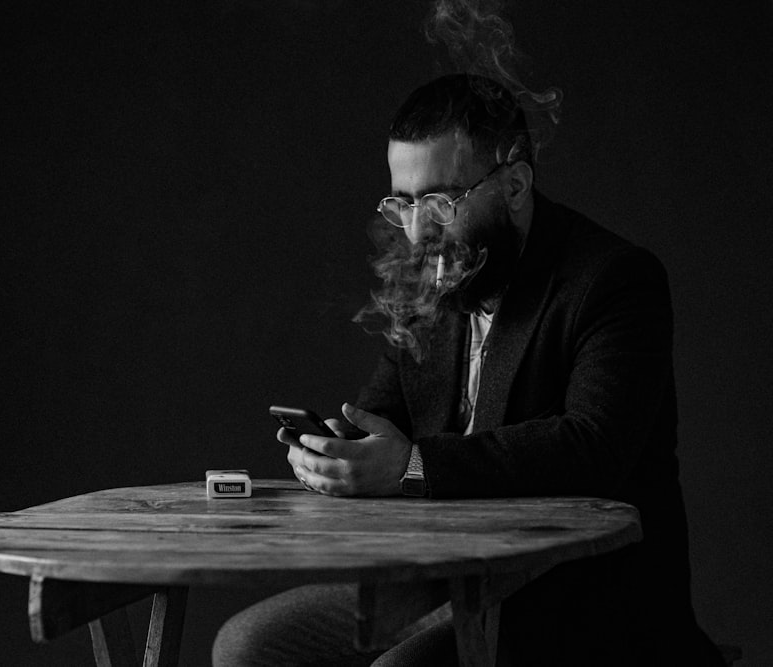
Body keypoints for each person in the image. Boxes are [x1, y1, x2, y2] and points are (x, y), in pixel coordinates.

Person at [212, 74, 723, 666]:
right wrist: (341, 452)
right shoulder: (430, 282)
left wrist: (409, 467)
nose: (416, 231)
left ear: (513, 184)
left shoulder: (613, 280)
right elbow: (384, 419)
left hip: (580, 599)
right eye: (401, 202)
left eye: (439, 202)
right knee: (248, 646)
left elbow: (594, 446)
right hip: (441, 581)